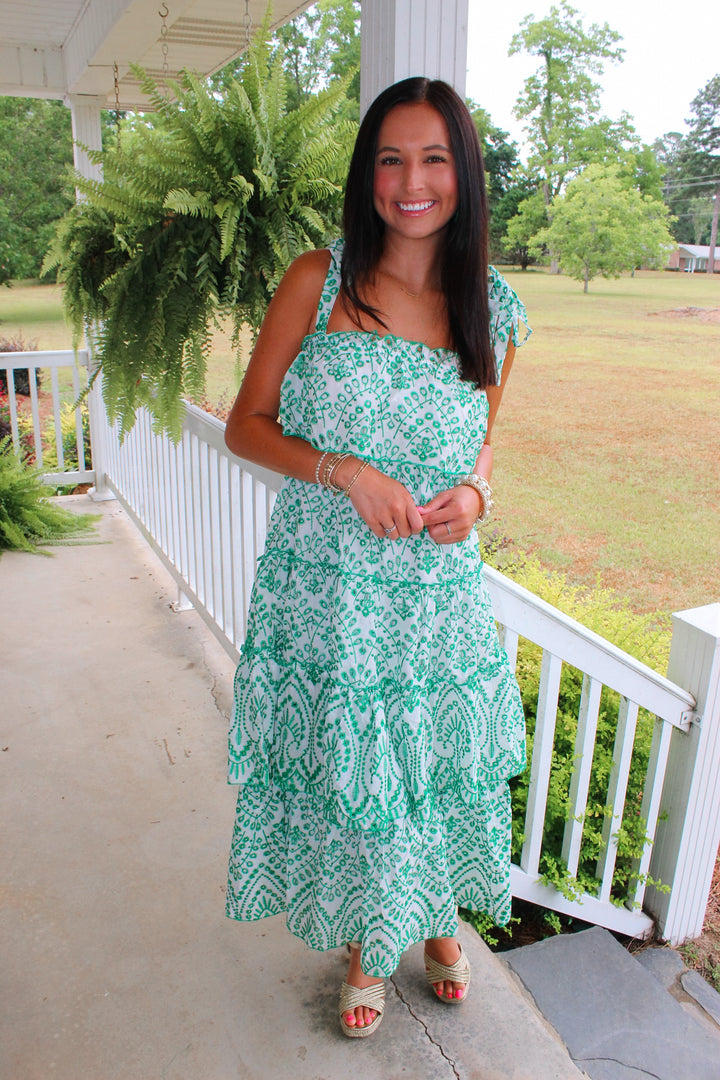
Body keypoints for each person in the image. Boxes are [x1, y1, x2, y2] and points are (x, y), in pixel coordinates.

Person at [224, 76, 529, 1039]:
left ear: (464, 173)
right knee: (365, 776)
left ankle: (437, 920)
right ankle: (367, 941)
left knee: (429, 765)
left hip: (436, 596)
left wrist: (477, 495)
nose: (412, 180)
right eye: (391, 157)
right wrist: (341, 470)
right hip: (333, 598)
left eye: (434, 157)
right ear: (369, 173)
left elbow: (484, 442)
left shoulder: (498, 306)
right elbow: (245, 427)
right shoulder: (318, 280)